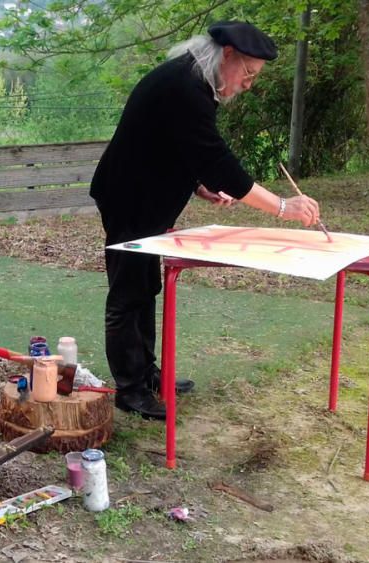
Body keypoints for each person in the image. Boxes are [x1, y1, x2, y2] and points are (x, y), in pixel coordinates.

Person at [90, 21, 321, 420]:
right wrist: (283, 208)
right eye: (248, 74)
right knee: (129, 293)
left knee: (146, 287)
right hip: (128, 199)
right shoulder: (185, 88)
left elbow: (178, 148)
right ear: (227, 55)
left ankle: (146, 375)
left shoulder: (194, 81)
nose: (249, 85)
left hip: (146, 199)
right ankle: (131, 390)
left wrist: (198, 185)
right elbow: (219, 162)